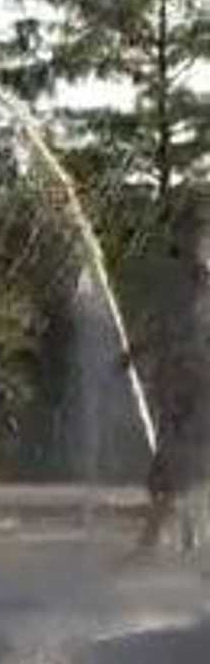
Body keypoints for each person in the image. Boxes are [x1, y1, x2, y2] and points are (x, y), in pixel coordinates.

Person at [133, 201, 210, 553]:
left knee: (178, 466)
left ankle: (159, 542)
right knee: (168, 467)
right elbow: (162, 330)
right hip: (176, 387)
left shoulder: (201, 281)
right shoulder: (176, 284)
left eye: (195, 233)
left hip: (194, 386)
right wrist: (133, 353)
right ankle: (175, 539)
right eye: (185, 232)